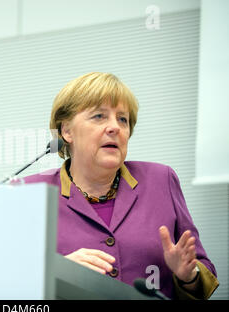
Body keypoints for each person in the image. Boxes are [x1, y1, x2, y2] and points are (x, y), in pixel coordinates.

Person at [23, 72, 219, 299]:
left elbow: (203, 269)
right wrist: (54, 273)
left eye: (123, 119)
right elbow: (3, 284)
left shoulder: (161, 179)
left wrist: (189, 275)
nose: (114, 127)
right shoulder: (31, 193)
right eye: (99, 116)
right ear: (66, 131)